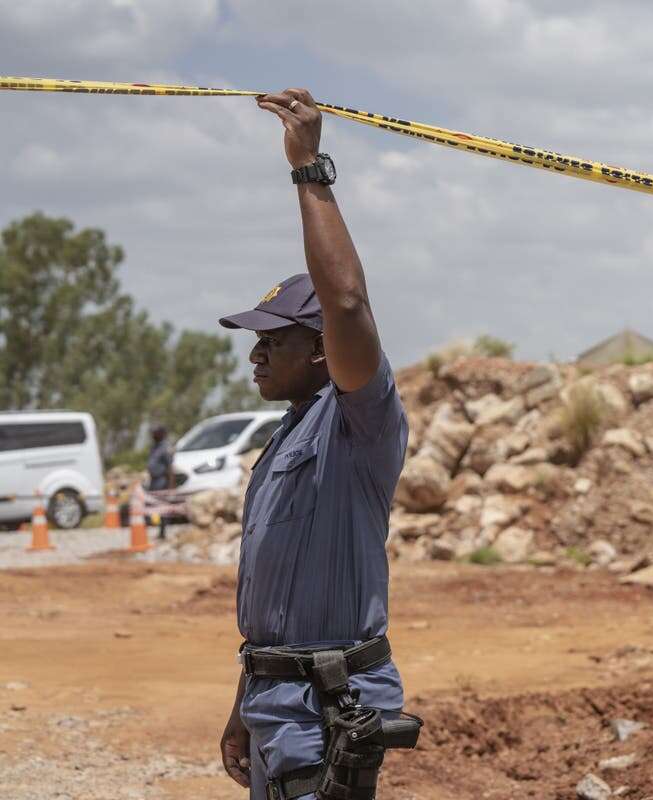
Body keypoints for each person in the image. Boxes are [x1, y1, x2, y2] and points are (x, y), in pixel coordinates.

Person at [216, 87, 412, 800]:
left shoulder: (360, 423)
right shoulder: (289, 437)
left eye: (276, 341)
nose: (255, 357)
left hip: (329, 714)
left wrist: (308, 169)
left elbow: (348, 303)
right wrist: (244, 707)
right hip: (277, 706)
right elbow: (278, 604)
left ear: (325, 349)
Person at [146, 425, 173, 492]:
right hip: (152, 480)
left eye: (156, 433)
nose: (153, 435)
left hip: (161, 481)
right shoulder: (154, 447)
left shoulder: (165, 448)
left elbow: (170, 467)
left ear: (162, 434)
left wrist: (171, 487)